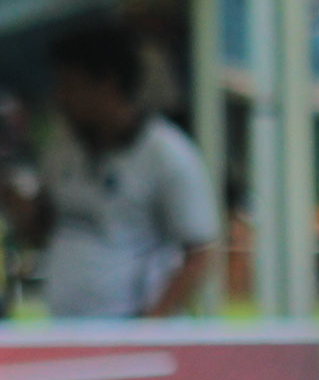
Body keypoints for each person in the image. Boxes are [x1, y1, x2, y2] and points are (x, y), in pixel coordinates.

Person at [0, 23, 218, 318]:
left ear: (107, 85)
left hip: (130, 326)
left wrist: (150, 327)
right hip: (67, 325)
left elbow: (200, 253)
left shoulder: (167, 154)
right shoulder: (64, 148)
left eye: (70, 86)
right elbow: (42, 230)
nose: (60, 97)